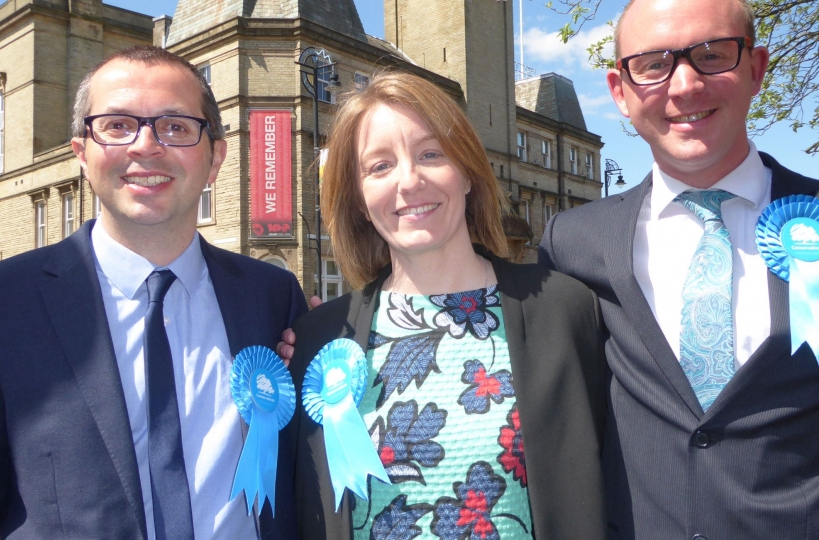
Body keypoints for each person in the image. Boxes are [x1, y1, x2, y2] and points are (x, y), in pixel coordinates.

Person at [0, 46, 306, 539]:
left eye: (176, 126)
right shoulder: (3, 304)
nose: (145, 146)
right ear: (82, 153)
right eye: (117, 125)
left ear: (215, 156)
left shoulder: (272, 295)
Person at [283, 71, 607, 540]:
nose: (409, 181)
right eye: (379, 166)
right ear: (357, 199)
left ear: (469, 173)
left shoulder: (566, 309)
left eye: (431, 154)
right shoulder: (317, 341)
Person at [539, 0, 819, 538]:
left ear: (757, 68)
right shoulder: (571, 243)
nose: (685, 84)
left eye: (713, 55)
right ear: (620, 91)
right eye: (652, 64)